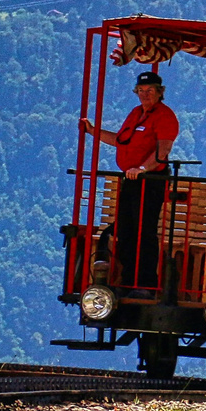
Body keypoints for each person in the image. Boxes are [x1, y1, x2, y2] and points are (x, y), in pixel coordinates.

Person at [80, 70, 179, 295]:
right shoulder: (136, 113)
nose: (145, 95)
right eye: (141, 91)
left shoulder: (165, 116)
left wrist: (143, 168)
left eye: (150, 91)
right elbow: (120, 140)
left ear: (160, 92)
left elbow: (162, 151)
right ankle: (128, 281)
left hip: (150, 181)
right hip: (131, 179)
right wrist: (93, 132)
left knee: (144, 232)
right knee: (125, 231)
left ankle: (145, 284)